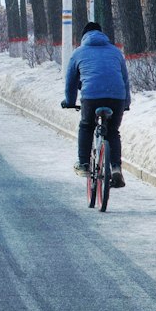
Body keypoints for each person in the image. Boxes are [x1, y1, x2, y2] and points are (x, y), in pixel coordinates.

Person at [61, 21, 131, 187]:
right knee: (113, 131)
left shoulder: (78, 52)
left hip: (91, 97)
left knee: (86, 125)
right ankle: (116, 168)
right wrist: (126, 103)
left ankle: (84, 164)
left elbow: (71, 82)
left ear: (84, 37)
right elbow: (125, 80)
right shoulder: (115, 52)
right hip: (117, 97)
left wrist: (70, 101)